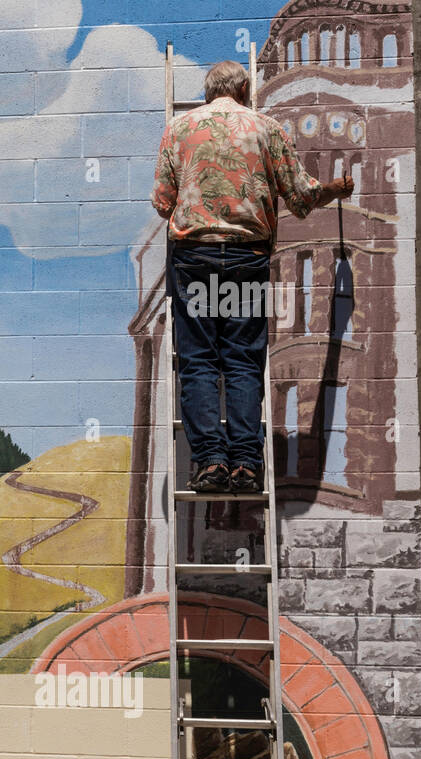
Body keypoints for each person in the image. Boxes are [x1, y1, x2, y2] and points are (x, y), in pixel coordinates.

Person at [151, 59, 353, 493]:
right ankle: (245, 463)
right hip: (247, 257)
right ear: (244, 90)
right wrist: (334, 189)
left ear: (209, 93)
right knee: (243, 360)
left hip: (194, 257)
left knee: (200, 361)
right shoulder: (267, 128)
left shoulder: (179, 129)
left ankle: (209, 463)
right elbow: (300, 196)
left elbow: (163, 201)